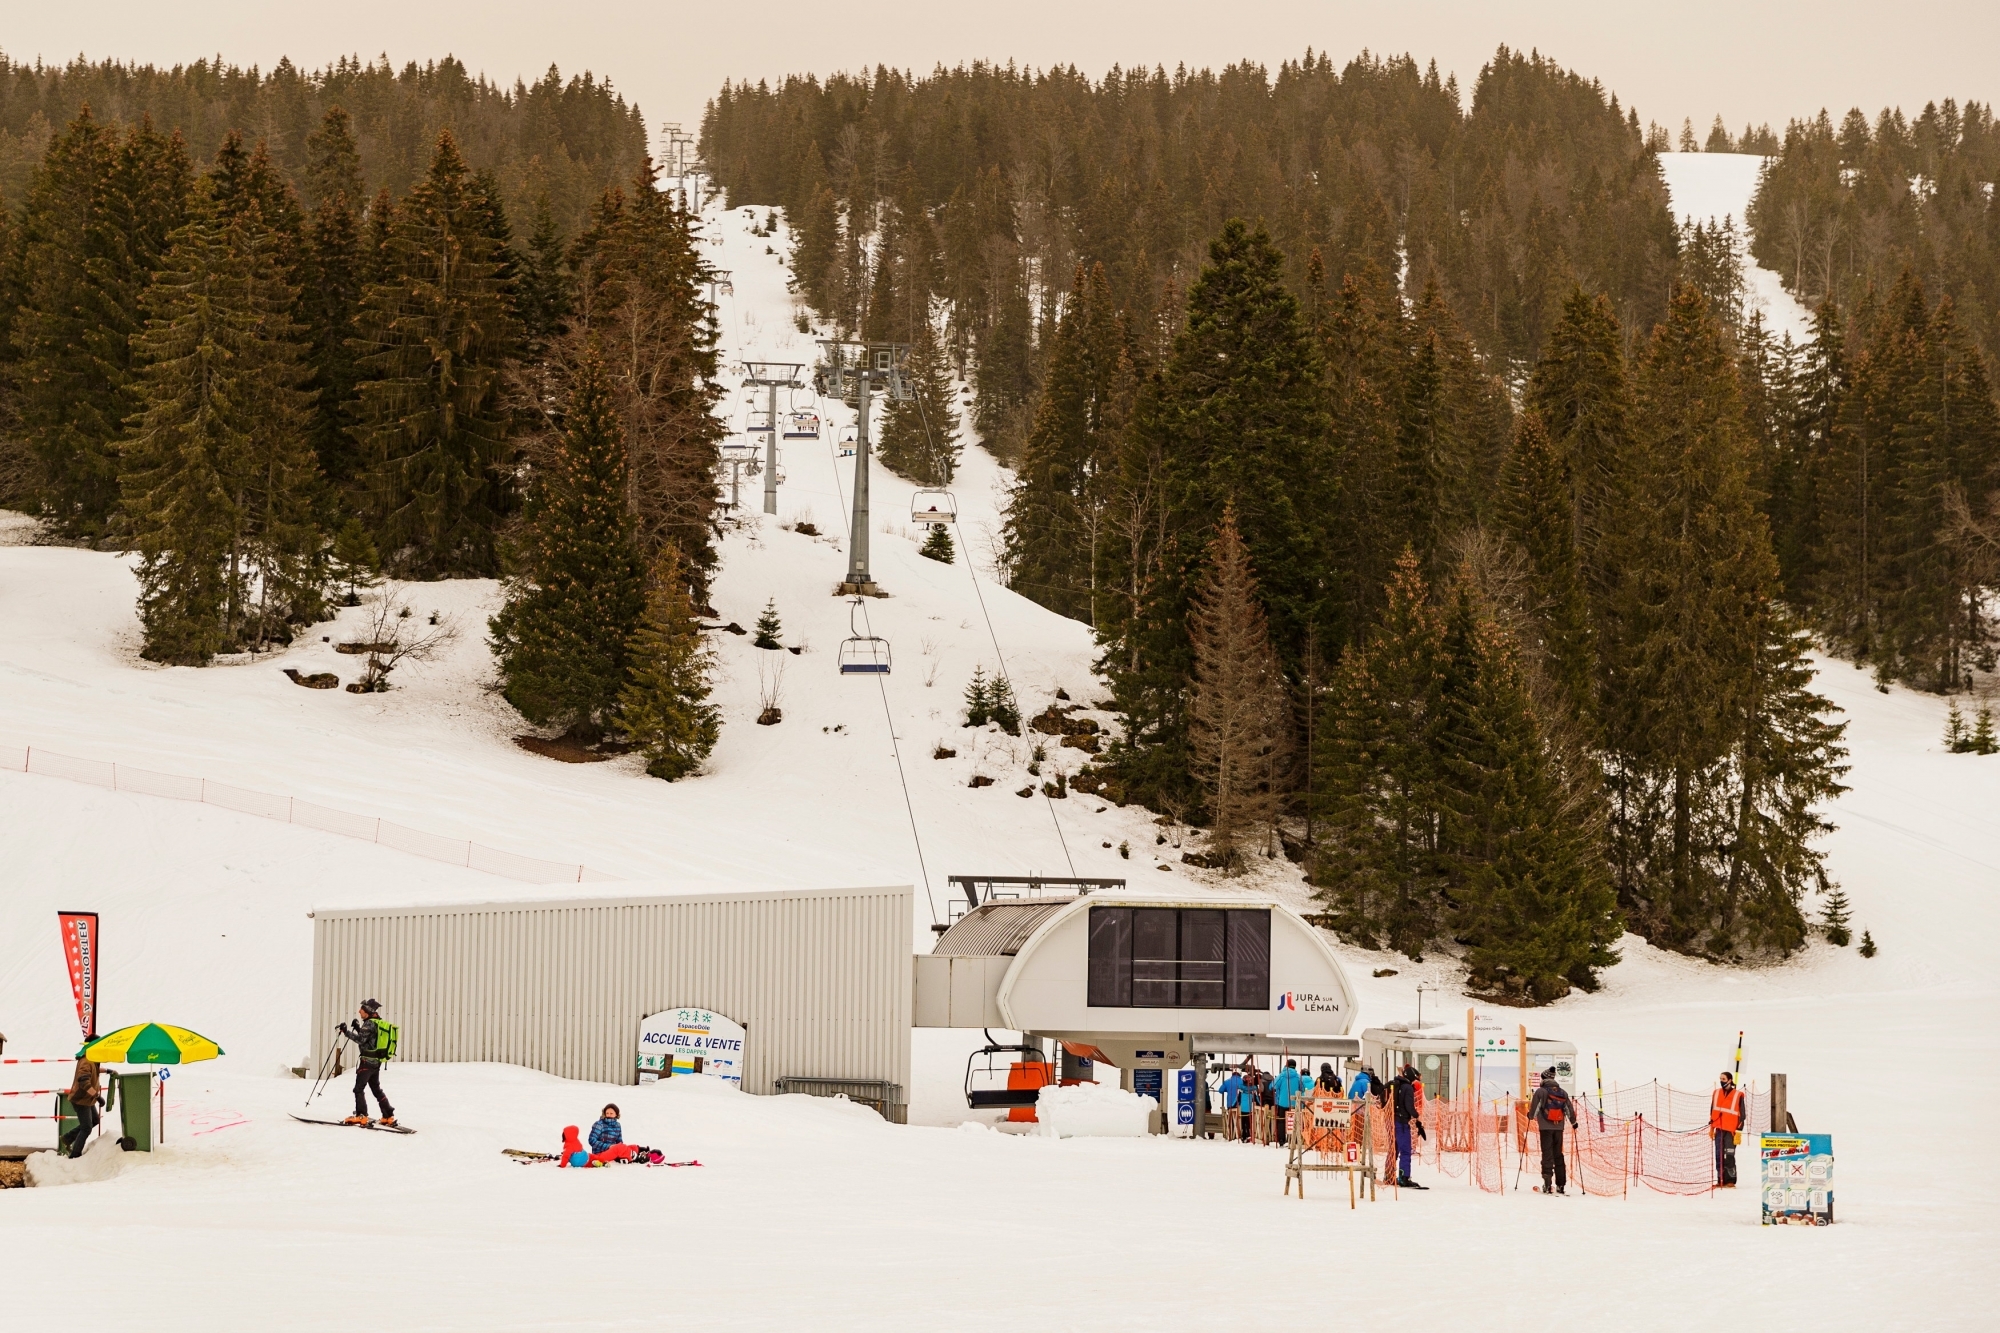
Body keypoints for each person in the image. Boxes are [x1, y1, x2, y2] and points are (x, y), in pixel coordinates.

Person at [338, 999, 396, 1127]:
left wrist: (346, 1032)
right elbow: (369, 1040)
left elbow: (361, 1040)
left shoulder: (369, 1023)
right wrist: (358, 1028)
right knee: (376, 1089)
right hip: (376, 1062)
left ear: (368, 1011)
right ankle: (388, 1115)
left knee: (358, 1089)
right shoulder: (377, 1022)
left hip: (367, 1062)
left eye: (362, 1010)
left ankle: (361, 1115)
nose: (359, 1011)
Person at [1526, 1067, 1578, 1195]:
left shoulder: (1540, 1092)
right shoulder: (1563, 1092)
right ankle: (1560, 1184)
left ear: (1544, 1079)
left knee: (1547, 1154)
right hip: (1559, 1128)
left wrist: (1530, 1116)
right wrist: (1573, 1122)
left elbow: (1535, 1110)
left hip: (1545, 1128)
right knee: (1558, 1154)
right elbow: (1569, 1109)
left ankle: (1548, 1184)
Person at [62, 1046, 104, 1158]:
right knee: (86, 1128)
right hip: (81, 1099)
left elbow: (93, 1071)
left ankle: (68, 1138)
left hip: (87, 1099)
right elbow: (84, 1081)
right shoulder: (86, 1061)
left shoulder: (92, 1059)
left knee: (95, 1120)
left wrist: (107, 1070)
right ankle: (75, 1154)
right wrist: (97, 1096)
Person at [1390, 1064, 1428, 1189]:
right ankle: (1404, 1177)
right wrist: (1417, 1116)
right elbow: (1409, 1106)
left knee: (1394, 1150)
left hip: (1392, 1120)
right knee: (1405, 1150)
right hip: (1401, 1122)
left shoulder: (1396, 1084)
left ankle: (1389, 1174)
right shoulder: (1407, 1088)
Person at [1710, 1071, 1747, 1187]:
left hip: (1731, 1131)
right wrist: (1712, 1128)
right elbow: (1712, 1111)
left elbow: (1742, 1115)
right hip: (1719, 1130)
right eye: (1720, 1078)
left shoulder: (1738, 1095)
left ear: (1730, 1080)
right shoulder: (1716, 1093)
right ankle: (1720, 1180)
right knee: (1719, 1155)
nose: (1722, 1081)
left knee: (1729, 1155)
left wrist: (1738, 1132)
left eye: (1724, 1079)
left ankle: (1731, 1180)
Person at [1273, 1058, 1308, 1146]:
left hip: (1282, 1103)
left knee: (1281, 1121)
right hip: (1294, 1104)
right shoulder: (1298, 1077)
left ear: (1286, 1065)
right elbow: (1302, 1088)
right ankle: (1294, 1140)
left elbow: (1273, 1086)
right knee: (1294, 1121)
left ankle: (1281, 1140)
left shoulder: (1281, 1076)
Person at [1219, 1066, 1245, 1141]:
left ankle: (1231, 1135)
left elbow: (1220, 1090)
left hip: (1230, 1104)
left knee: (1231, 1120)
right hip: (1241, 1105)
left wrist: (1228, 1090)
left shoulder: (1227, 1081)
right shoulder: (1243, 1081)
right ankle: (1240, 1135)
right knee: (1241, 1120)